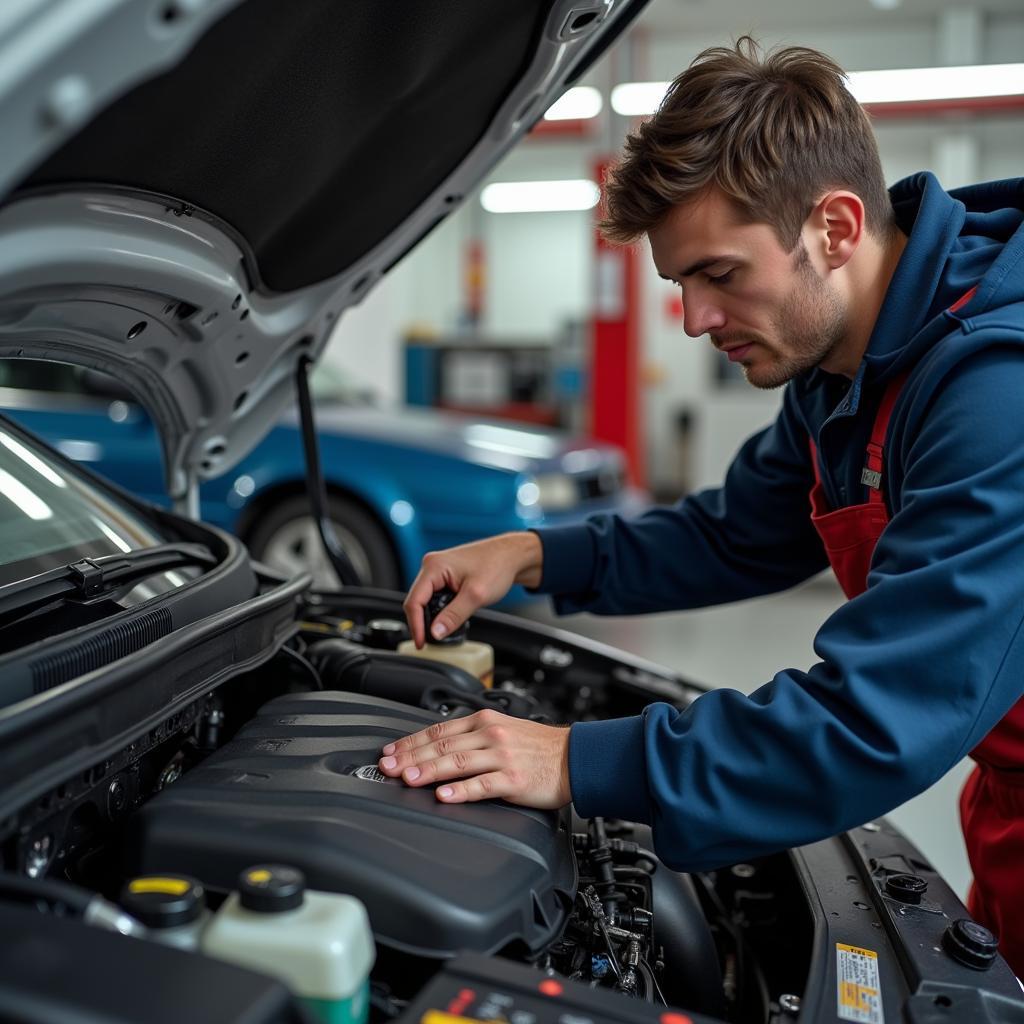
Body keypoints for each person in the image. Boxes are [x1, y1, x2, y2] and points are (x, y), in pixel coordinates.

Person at [377, 39, 1024, 973]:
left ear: (836, 228)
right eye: (681, 283)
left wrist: (578, 762)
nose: (693, 320)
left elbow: (874, 719)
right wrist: (532, 553)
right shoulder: (845, 366)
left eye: (721, 274)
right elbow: (735, 535)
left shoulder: (995, 393)